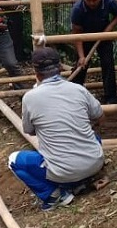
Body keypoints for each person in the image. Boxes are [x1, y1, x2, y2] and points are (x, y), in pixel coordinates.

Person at [8, 47, 105, 211]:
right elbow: (100, 117)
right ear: (60, 67)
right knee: (92, 136)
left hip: (63, 171)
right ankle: (82, 181)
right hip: (95, 162)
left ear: (36, 72)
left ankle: (55, 195)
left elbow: (29, 130)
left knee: (14, 160)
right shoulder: (78, 89)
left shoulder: (30, 98)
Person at [70, 0, 117, 104]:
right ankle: (74, 94)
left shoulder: (109, 1)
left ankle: (111, 97)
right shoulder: (78, 9)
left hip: (104, 36)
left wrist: (109, 28)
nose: (92, 3)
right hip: (84, 37)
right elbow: (77, 34)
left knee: (108, 64)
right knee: (81, 65)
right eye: (88, 0)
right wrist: (82, 56)